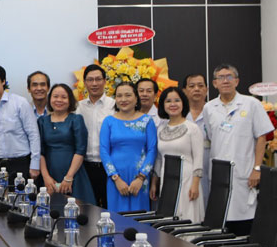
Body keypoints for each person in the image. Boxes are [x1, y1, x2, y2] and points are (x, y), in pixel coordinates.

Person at [203, 64, 273, 236]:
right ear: (214, 83)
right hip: (219, 175)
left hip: (245, 173)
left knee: (244, 223)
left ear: (237, 81)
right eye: (221, 77)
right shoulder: (209, 108)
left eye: (229, 77)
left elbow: (261, 138)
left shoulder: (251, 104)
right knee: (221, 223)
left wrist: (257, 169)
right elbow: (212, 136)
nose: (225, 81)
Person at [100, 82, 157, 212]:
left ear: (136, 98)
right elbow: (104, 151)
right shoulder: (109, 121)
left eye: (128, 95)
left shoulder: (147, 121)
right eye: (119, 96)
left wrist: (141, 177)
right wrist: (115, 178)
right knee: (117, 218)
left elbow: (152, 150)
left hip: (140, 178)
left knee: (140, 219)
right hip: (115, 179)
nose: (123, 99)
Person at [150, 87, 204, 223]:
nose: (173, 104)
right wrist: (154, 183)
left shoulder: (192, 128)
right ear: (162, 105)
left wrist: (195, 185)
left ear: (183, 103)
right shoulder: (160, 128)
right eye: (168, 101)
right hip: (166, 181)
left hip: (187, 181)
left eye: (177, 100)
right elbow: (158, 159)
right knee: (168, 219)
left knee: (187, 217)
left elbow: (198, 158)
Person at [38, 83, 95, 204]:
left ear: (70, 100)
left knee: (77, 212)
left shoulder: (76, 119)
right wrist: (46, 177)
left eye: (64, 97)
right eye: (55, 96)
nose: (59, 100)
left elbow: (80, 150)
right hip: (50, 174)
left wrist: (69, 177)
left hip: (74, 174)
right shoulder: (42, 121)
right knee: (51, 212)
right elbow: (40, 151)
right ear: (50, 99)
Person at [76, 64, 115, 208]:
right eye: (90, 80)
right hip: (85, 167)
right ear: (84, 82)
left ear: (105, 81)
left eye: (98, 79)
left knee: (108, 207)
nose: (94, 83)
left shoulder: (114, 105)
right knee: (87, 208)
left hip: (109, 166)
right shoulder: (78, 107)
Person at [182, 73, 210, 208]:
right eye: (192, 86)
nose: (197, 89)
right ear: (184, 91)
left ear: (207, 89)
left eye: (201, 86)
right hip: (186, 168)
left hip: (209, 164)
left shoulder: (213, 112)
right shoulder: (178, 115)